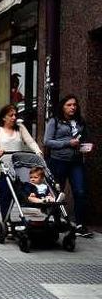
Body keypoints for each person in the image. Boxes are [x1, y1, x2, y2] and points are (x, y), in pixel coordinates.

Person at [44, 95, 94, 237]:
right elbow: (47, 141)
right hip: (58, 161)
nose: (73, 107)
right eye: (69, 105)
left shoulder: (80, 122)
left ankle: (79, 225)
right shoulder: (54, 121)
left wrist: (85, 147)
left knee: (80, 191)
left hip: (76, 162)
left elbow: (82, 139)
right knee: (57, 193)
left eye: (74, 105)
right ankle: (57, 220)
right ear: (62, 107)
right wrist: (67, 143)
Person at [0, 104, 42, 221]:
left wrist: (37, 151)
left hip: (18, 169)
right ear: (3, 117)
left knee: (20, 194)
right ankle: (6, 220)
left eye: (15, 115)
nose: (14, 117)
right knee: (5, 195)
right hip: (2, 169)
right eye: (11, 115)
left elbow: (30, 142)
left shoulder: (20, 128)